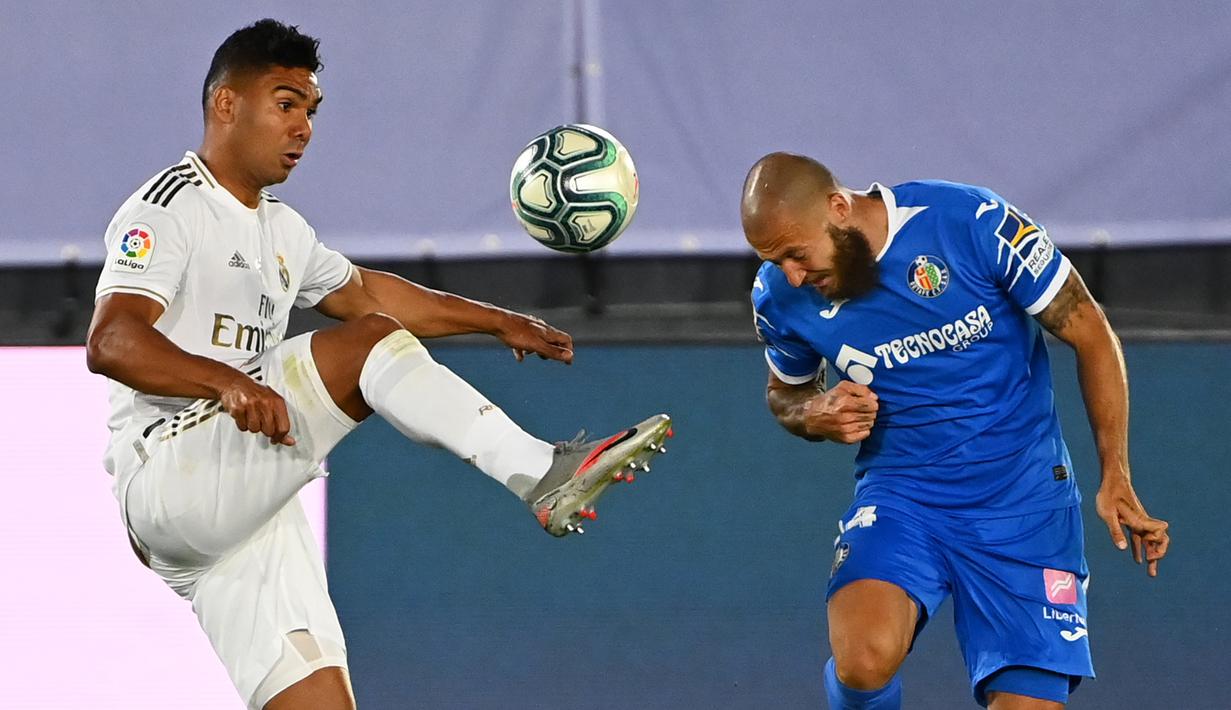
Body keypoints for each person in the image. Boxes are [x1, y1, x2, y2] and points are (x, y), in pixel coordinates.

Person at [86, 19, 671, 710]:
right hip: (171, 471)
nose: (303, 127)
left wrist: (495, 319)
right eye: (285, 103)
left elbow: (368, 294)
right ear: (226, 103)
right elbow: (111, 341)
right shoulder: (170, 207)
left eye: (311, 110)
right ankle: (537, 470)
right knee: (366, 344)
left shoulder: (282, 228)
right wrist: (227, 382)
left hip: (245, 506)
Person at [741, 152, 1169, 709]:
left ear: (839, 207)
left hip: (1025, 504)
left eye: (796, 254)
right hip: (903, 496)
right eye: (775, 261)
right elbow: (786, 393)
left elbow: (1090, 331)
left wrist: (1116, 473)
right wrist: (813, 413)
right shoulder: (778, 296)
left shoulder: (970, 221)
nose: (792, 275)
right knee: (863, 657)